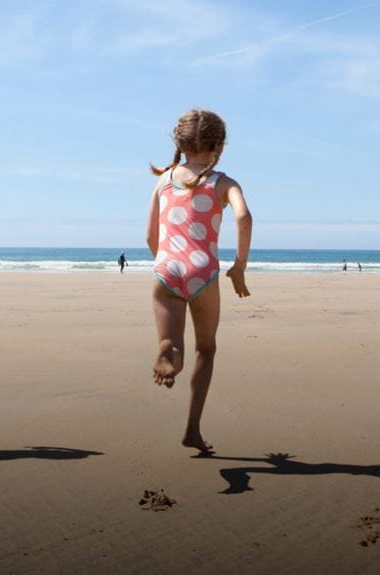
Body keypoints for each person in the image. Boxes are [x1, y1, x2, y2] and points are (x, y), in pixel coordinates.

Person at [146, 108, 253, 454]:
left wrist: (165, 265)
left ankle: (168, 353)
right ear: (218, 145)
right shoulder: (224, 183)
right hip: (203, 271)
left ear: (179, 142)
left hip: (166, 270)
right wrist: (239, 266)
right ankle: (192, 429)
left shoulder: (163, 180)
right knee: (205, 348)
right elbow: (244, 216)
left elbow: (150, 236)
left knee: (173, 342)